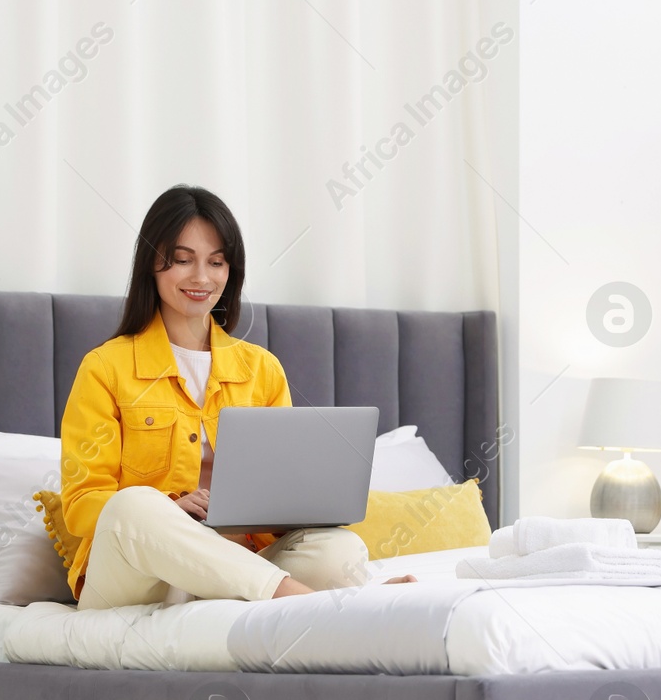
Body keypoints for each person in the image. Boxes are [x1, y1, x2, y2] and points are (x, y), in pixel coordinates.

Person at [58, 184, 412, 608]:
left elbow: (283, 495)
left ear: (232, 271)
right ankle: (340, 603)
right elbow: (80, 506)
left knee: (339, 550)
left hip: (234, 563)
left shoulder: (261, 370)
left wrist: (297, 511)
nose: (201, 278)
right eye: (182, 260)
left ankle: (272, 594)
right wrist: (172, 509)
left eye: (216, 262)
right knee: (134, 506)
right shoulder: (105, 367)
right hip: (135, 579)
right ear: (151, 265)